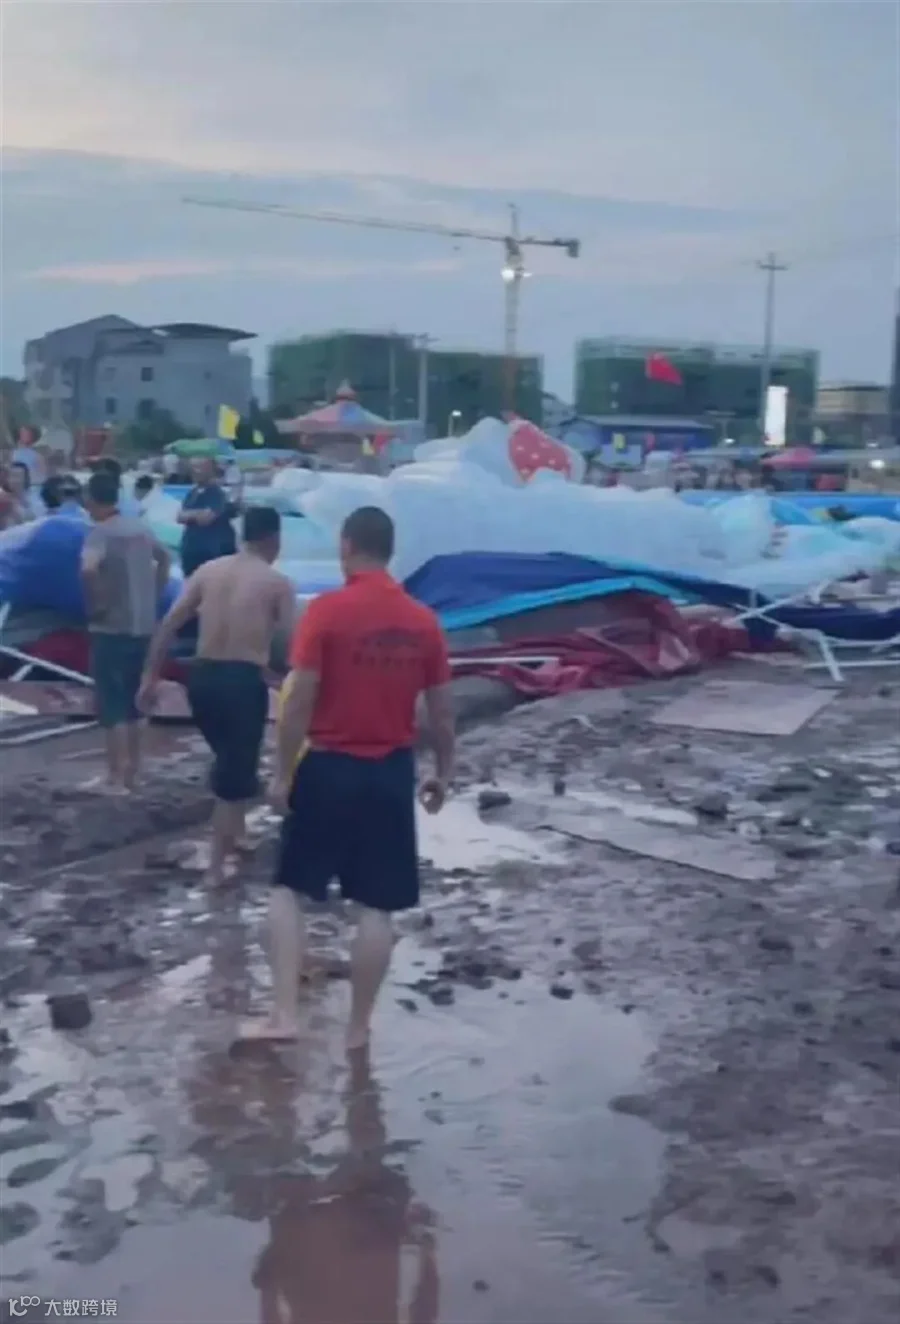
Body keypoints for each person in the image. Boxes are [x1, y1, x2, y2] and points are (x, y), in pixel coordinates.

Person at [242, 506, 455, 1048]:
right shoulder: (423, 621)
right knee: (376, 907)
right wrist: (443, 772)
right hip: (391, 772)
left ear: (346, 546)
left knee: (289, 891)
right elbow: (441, 712)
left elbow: (297, 701)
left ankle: (284, 1015)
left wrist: (282, 772)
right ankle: (358, 1029)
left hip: (329, 765)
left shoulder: (327, 612)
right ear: (389, 551)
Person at [138, 506, 295, 885]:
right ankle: (215, 867)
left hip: (202, 679)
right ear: (274, 539)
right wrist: (285, 679)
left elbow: (168, 624)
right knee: (233, 772)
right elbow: (290, 643)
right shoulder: (277, 583)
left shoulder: (209, 571)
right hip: (241, 681)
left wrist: (149, 677)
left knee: (232, 761)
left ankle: (236, 835)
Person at [81, 470, 171, 793]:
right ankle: (135, 773)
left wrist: (99, 603)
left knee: (112, 703)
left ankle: (114, 776)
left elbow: (89, 569)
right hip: (143, 627)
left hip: (112, 628)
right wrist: (154, 594)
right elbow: (165, 558)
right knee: (136, 701)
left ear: (91, 500)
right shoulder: (140, 528)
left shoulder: (100, 533)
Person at [177, 456, 238, 577]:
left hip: (211, 554)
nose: (195, 471)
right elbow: (179, 516)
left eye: (200, 467)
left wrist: (189, 515)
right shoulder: (192, 493)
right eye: (193, 467)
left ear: (210, 470)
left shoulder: (216, 493)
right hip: (191, 554)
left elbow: (206, 518)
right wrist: (196, 514)